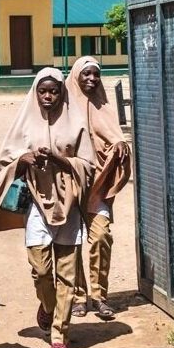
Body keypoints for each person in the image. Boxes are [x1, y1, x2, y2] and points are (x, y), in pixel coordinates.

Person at [0, 68, 93, 348]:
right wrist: (23, 159)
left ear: (62, 92)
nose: (48, 96)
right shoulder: (24, 122)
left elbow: (88, 165)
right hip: (36, 205)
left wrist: (61, 160)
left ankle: (60, 334)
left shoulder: (76, 121)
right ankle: (47, 306)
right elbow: (5, 161)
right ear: (35, 92)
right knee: (42, 271)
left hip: (68, 207)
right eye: (43, 91)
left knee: (67, 275)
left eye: (54, 91)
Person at [66, 56, 133, 321]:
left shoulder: (104, 105)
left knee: (101, 236)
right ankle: (78, 297)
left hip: (99, 186)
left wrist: (119, 146)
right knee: (71, 242)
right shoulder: (65, 106)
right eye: (86, 75)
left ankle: (100, 296)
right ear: (76, 77)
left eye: (96, 75)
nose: (92, 79)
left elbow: (114, 135)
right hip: (70, 185)